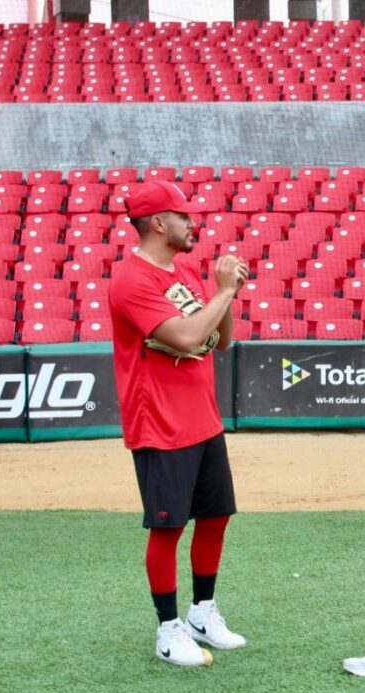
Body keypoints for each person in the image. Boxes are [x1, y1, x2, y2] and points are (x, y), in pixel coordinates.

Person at [108, 180, 249, 666]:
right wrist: (223, 291)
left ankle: (202, 613)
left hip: (201, 419)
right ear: (157, 223)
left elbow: (219, 341)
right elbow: (189, 337)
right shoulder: (131, 280)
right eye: (183, 216)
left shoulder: (185, 269)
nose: (193, 224)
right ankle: (168, 630)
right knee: (168, 528)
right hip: (159, 423)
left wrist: (225, 294)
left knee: (215, 517)